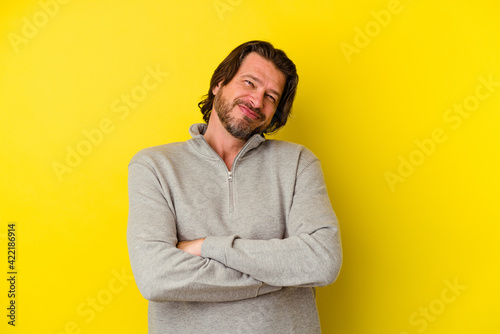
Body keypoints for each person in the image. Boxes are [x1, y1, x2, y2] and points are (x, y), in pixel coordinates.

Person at [127, 40, 342, 334]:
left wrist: (207, 247)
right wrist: (284, 271)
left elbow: (322, 261)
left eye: (271, 96)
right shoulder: (154, 166)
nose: (256, 101)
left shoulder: (298, 163)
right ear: (219, 83)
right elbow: (155, 276)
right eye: (249, 83)